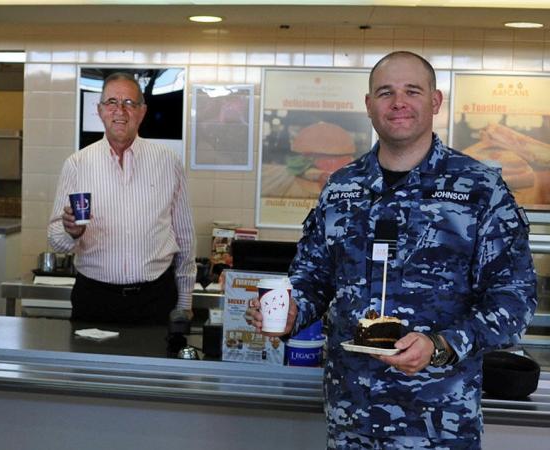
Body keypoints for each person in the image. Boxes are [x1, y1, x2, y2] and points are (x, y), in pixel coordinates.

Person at [250, 51, 537, 449]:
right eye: (385, 92)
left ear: (435, 102)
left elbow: (515, 300)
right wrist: (293, 309)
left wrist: (441, 346)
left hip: (438, 424)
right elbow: (313, 278)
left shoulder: (480, 190)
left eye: (411, 91)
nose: (398, 102)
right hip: (351, 418)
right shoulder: (341, 188)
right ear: (369, 105)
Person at [48, 72, 195, 324]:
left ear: (142, 111)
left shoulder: (167, 162)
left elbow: (185, 237)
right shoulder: (77, 164)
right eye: (112, 102)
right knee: (90, 365)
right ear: (100, 110)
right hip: (94, 299)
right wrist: (71, 232)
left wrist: (184, 301)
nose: (120, 111)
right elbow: (56, 240)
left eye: (129, 103)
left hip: (155, 299)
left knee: (153, 364)